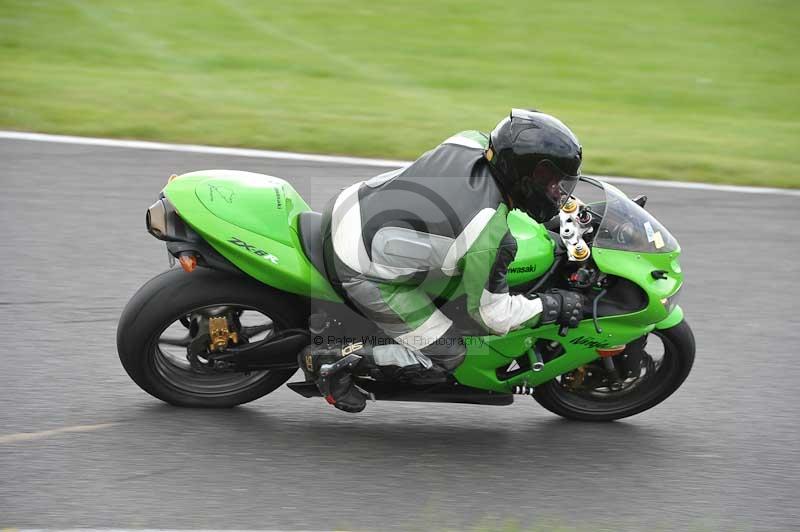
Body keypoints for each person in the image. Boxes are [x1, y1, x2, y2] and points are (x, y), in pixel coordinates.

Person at [300, 109, 587, 412]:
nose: (557, 192)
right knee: (449, 354)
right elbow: (492, 316)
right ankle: (334, 362)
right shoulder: (488, 235)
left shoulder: (469, 141)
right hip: (358, 266)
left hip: (350, 205)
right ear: (528, 175)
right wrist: (550, 306)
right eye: (553, 183)